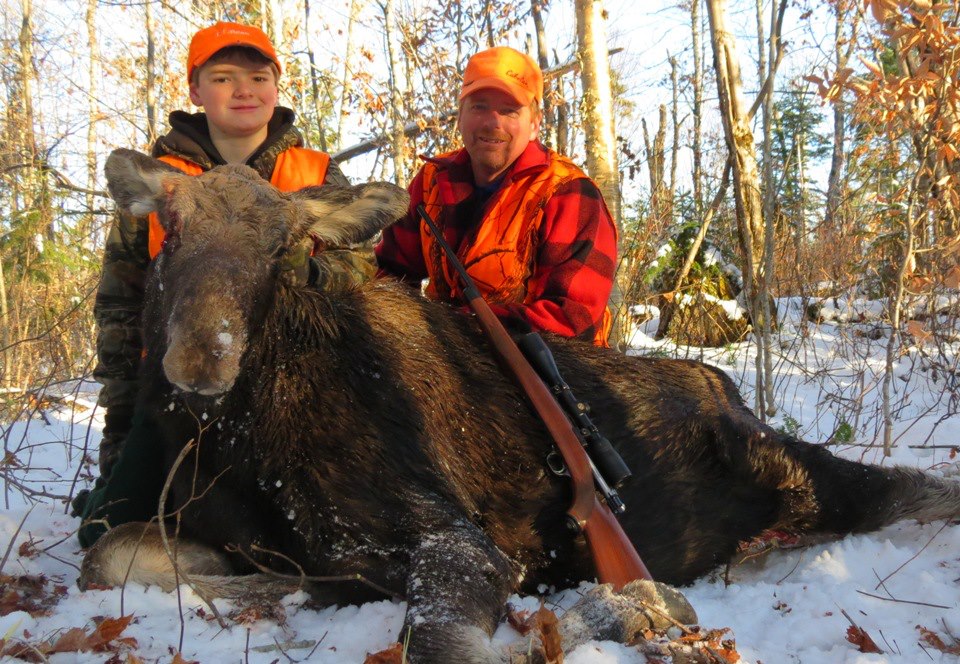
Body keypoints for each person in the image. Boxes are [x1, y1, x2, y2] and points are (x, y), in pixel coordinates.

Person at [74, 22, 372, 530]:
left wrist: (301, 267)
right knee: (109, 526)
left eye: (258, 76)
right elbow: (120, 309)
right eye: (223, 77)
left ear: (276, 86)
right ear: (195, 89)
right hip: (177, 388)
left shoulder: (316, 175)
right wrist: (122, 434)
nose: (243, 90)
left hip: (294, 391)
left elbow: (359, 269)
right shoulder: (160, 182)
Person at [375, 46, 618, 346]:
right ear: (460, 115)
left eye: (509, 110)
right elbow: (390, 273)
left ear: (535, 124)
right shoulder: (431, 182)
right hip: (450, 361)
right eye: (479, 107)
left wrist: (449, 328)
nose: (493, 122)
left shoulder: (568, 193)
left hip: (560, 375)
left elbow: (571, 319)